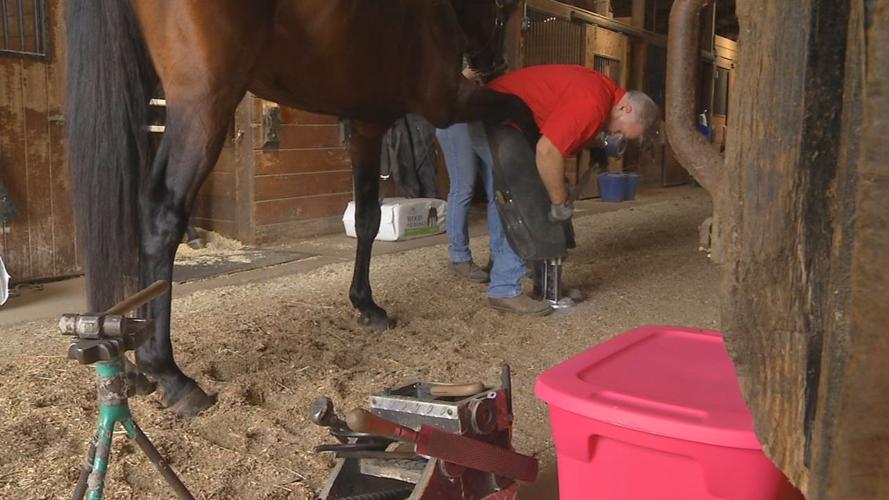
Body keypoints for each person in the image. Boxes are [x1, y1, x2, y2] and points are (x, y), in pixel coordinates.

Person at [480, 64, 659, 315]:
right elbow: (548, 150)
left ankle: (546, 285)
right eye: (620, 132)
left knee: (542, 193)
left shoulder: (604, 96)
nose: (614, 135)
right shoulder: (593, 102)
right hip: (494, 113)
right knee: (525, 197)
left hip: (518, 121)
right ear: (626, 108)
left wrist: (593, 146)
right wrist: (559, 201)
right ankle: (504, 288)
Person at [436, 66, 499, 283]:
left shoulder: (486, 49)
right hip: (455, 120)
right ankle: (458, 257)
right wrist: (463, 76)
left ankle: (499, 255)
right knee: (463, 188)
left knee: (497, 188)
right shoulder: (444, 50)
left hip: (483, 119)